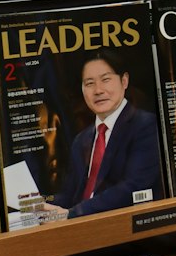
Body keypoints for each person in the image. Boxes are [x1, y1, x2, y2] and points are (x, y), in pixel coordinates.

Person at [47, 49, 164, 218]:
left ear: (124, 81)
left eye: (106, 80)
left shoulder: (146, 125)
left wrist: (73, 214)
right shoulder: (81, 140)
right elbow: (70, 195)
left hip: (124, 227)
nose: (98, 90)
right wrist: (37, 207)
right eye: (89, 83)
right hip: (79, 227)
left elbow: (133, 187)